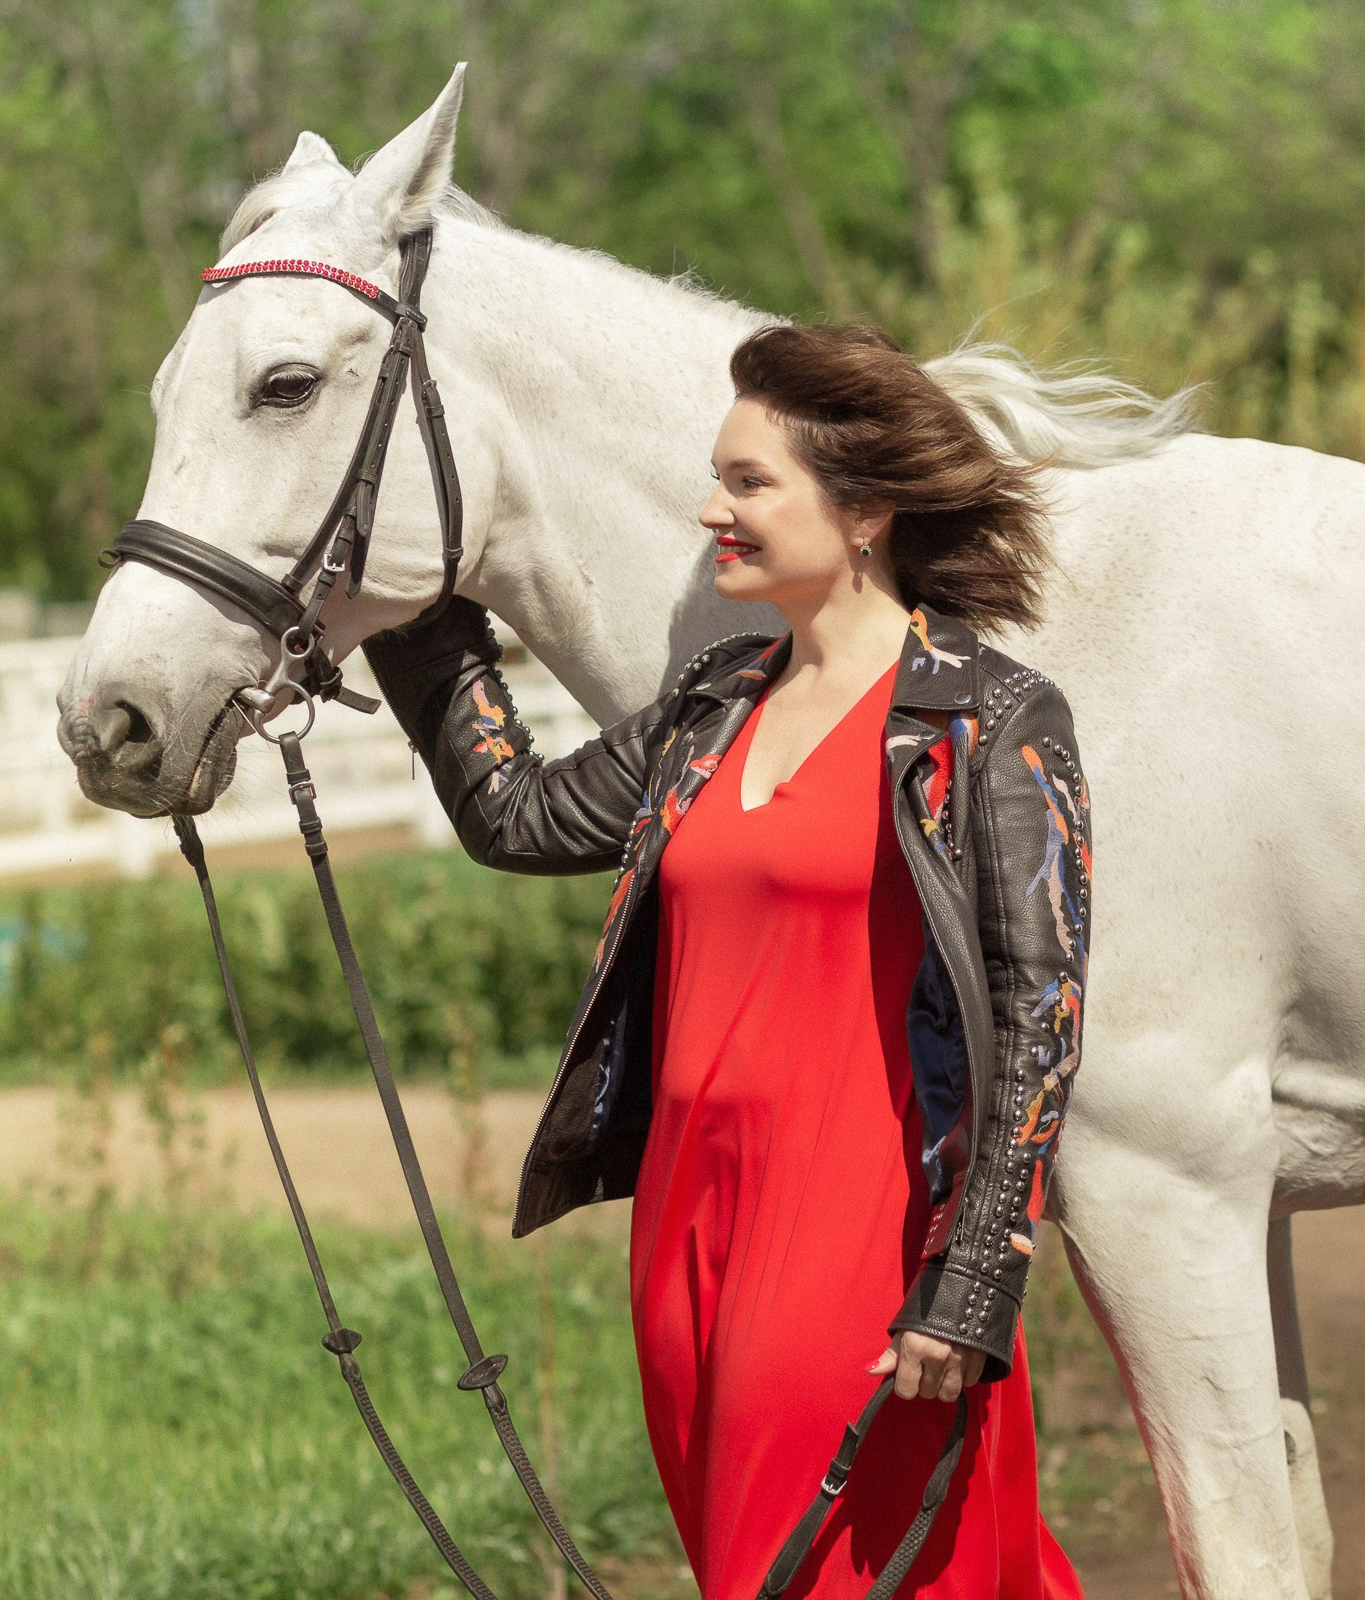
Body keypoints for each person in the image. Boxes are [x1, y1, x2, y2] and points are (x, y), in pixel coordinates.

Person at [360, 322, 1092, 1599]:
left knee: (817, 1570)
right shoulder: (713, 702)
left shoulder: (987, 715)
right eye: (720, 478)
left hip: (861, 1227)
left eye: (750, 482)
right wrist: (415, 615)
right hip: (686, 1224)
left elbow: (1044, 1008)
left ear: (863, 508)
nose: (714, 509)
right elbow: (516, 815)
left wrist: (973, 1273)